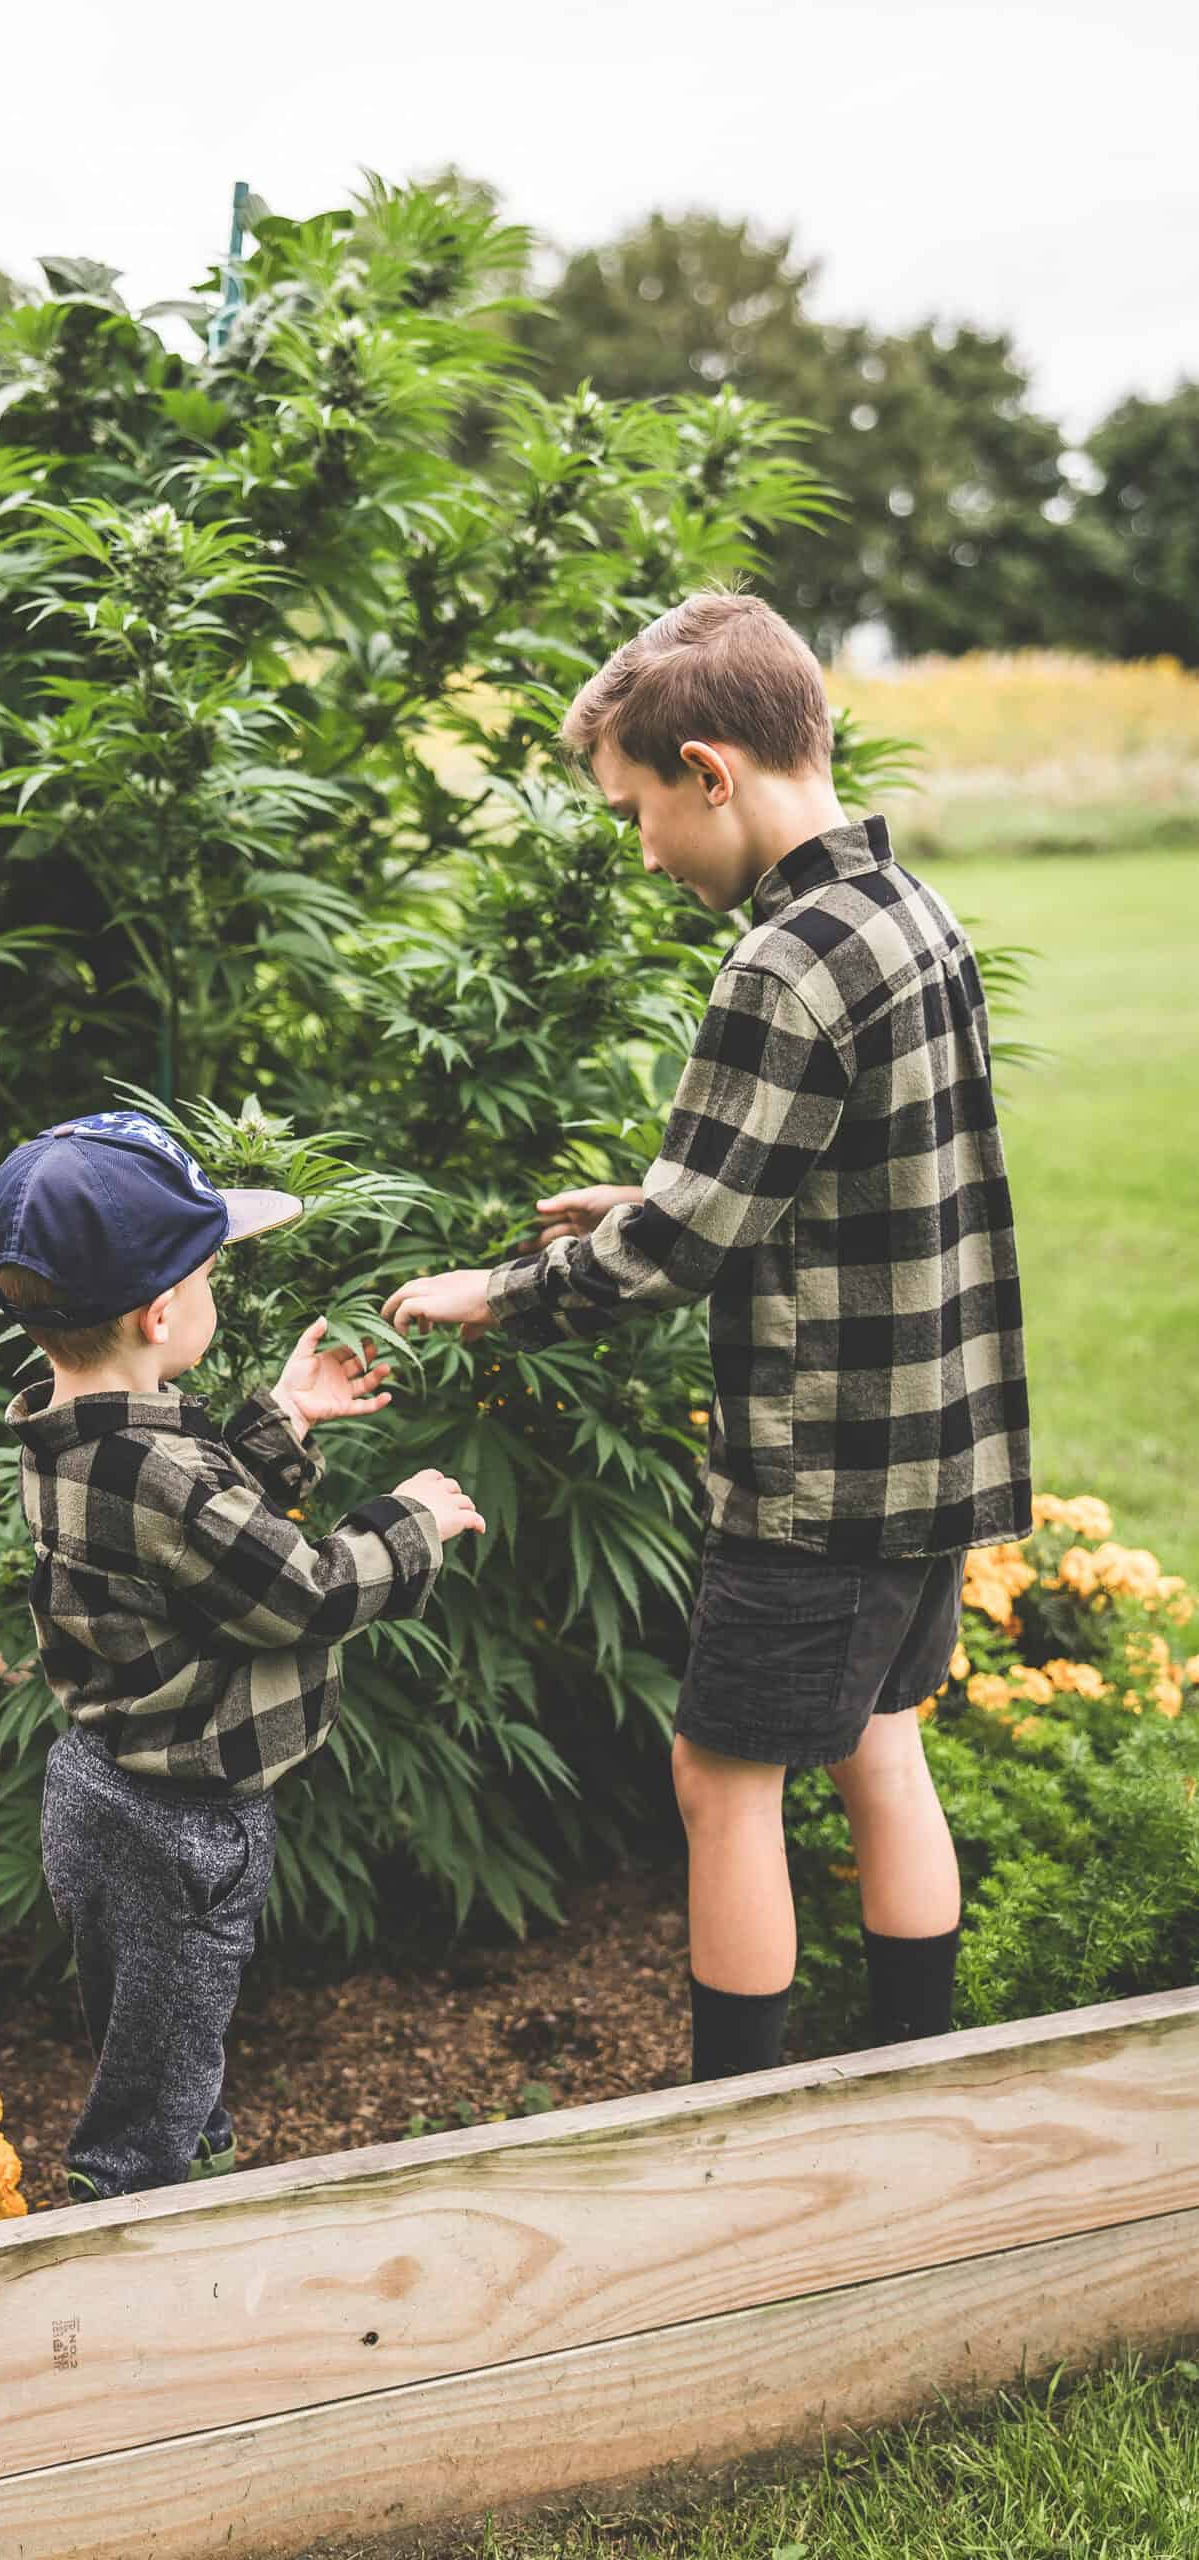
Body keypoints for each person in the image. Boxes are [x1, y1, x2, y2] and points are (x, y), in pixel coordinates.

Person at [382, 592, 1031, 2083]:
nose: (639, 846)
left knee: (717, 1778)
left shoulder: (775, 961)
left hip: (816, 1469)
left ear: (708, 770)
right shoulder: (906, 914)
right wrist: (662, 1192)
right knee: (879, 1740)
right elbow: (858, 1164)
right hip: (932, 1435)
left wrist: (499, 1292)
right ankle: (906, 2085)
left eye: (634, 810)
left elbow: (683, 1247)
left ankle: (732, 2131)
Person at [0, 1107, 484, 2199]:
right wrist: (411, 1521)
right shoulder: (162, 1472)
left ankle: (186, 2189)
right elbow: (298, 1592)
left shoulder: (61, 1429)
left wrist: (280, 1424)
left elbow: (188, 1540)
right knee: (149, 2109)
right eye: (212, 1276)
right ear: (163, 1311)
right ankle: (133, 2261)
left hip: (99, 1793)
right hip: (182, 1824)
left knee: (160, 2047)